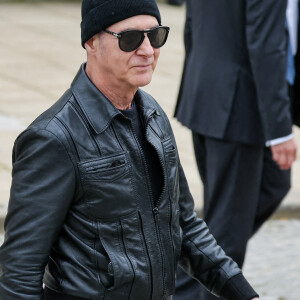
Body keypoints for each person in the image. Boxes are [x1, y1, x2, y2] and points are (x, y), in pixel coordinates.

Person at [0, 0, 260, 299]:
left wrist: (244, 294)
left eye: (156, 35)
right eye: (131, 38)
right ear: (92, 42)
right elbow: (19, 270)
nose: (148, 50)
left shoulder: (153, 114)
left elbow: (184, 224)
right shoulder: (52, 139)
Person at [174, 0, 298, 299]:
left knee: (272, 185)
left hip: (207, 94)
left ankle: (178, 279)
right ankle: (183, 288)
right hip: (237, 105)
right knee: (227, 236)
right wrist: (279, 131)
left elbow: (191, 25)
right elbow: (265, 44)